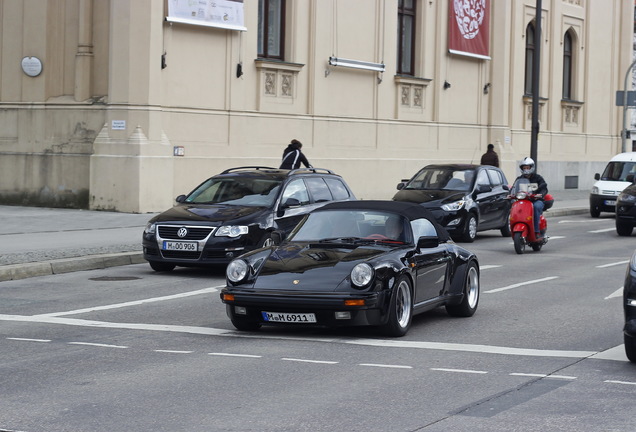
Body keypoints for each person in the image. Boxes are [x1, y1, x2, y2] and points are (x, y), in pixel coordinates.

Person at [515, 157, 548, 239]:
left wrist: (540, 194)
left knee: (536, 207)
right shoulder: (519, 179)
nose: (526, 169)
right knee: (515, 207)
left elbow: (544, 188)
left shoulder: (538, 178)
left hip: (536, 200)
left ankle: (536, 231)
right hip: (524, 201)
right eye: (524, 168)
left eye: (527, 167)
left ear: (531, 167)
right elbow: (514, 188)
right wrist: (510, 194)